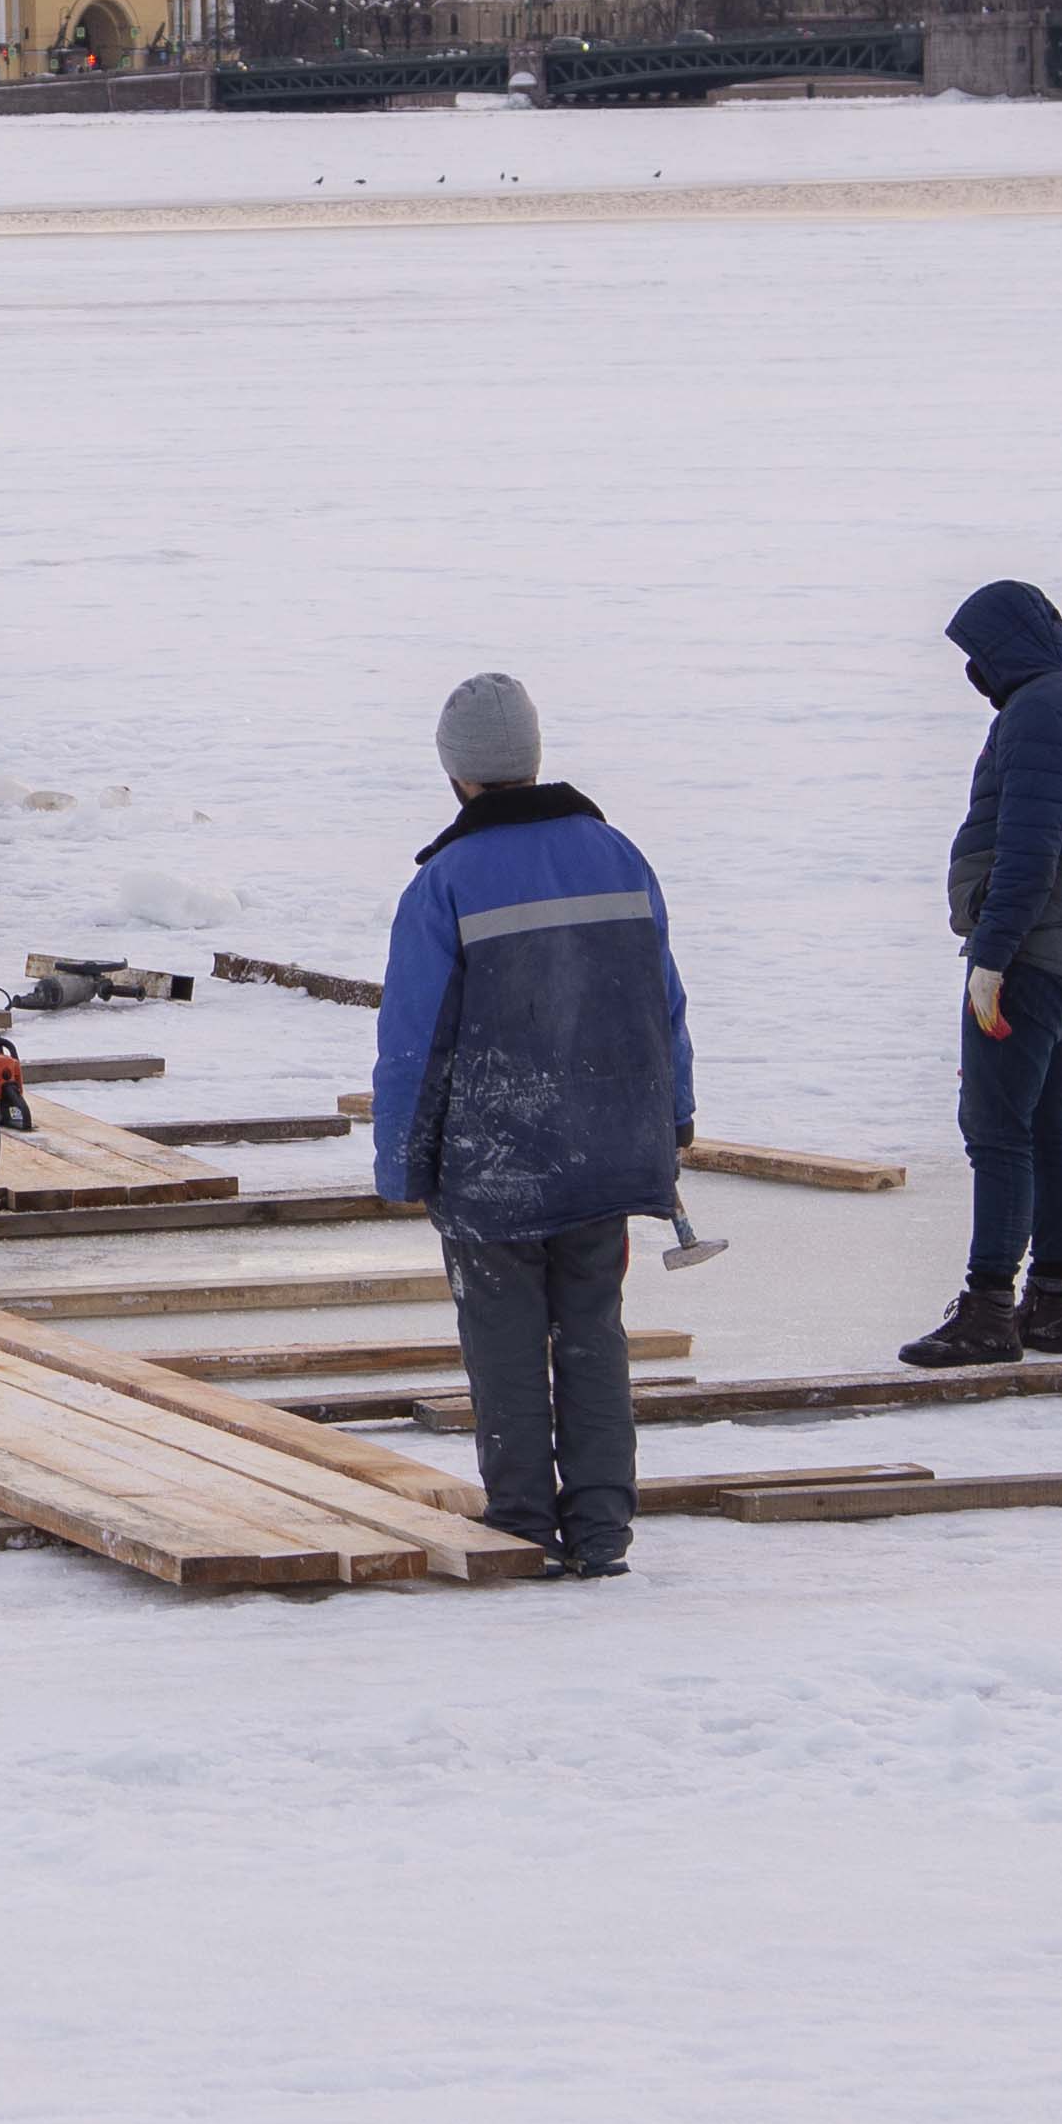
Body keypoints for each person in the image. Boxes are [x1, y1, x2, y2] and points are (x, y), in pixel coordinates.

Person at [373, 674, 692, 1580]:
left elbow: (412, 1039)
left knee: (504, 1336)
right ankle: (601, 1528)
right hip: (603, 1146)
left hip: (493, 1158)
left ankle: (522, 1518)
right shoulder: (617, 853)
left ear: (456, 774)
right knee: (593, 1325)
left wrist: (404, 1162)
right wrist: (672, 1118)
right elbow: (661, 1002)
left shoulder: (445, 881)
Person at [902, 580, 1062, 1369]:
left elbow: (1028, 848)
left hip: (1030, 944)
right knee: (1045, 1121)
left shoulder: (1037, 711)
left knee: (996, 1128)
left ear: (1005, 648)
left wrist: (991, 957)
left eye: (977, 653)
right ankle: (1053, 1307)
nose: (973, 670)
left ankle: (989, 1309)